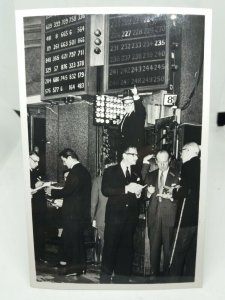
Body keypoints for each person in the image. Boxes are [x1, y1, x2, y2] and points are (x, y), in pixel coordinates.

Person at [100, 144, 145, 283]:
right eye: (134, 155)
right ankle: (105, 282)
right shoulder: (110, 171)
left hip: (129, 220)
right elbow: (105, 190)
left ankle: (122, 282)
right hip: (114, 219)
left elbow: (140, 195)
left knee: (126, 251)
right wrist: (126, 188)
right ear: (125, 155)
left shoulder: (136, 173)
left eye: (137, 155)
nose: (137, 158)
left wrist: (139, 193)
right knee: (110, 250)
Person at [46, 148, 91, 276]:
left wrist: (51, 191)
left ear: (70, 157)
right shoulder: (84, 171)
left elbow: (67, 191)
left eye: (64, 160)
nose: (64, 164)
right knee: (77, 241)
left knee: (74, 241)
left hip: (73, 214)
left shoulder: (75, 172)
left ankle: (76, 268)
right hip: (79, 213)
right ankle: (80, 268)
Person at [144, 150, 180, 277]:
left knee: (168, 248)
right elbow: (143, 196)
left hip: (169, 215)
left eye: (165, 162)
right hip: (153, 215)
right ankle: (154, 274)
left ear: (169, 160)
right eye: (160, 162)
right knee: (154, 247)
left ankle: (167, 276)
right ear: (156, 161)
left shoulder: (176, 174)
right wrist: (148, 193)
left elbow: (182, 196)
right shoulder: (150, 175)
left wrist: (172, 196)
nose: (163, 165)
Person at [169, 142, 201, 281]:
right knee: (192, 254)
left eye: (182, 151)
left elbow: (186, 191)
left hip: (186, 216)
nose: (180, 154)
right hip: (197, 217)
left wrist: (174, 192)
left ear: (188, 151)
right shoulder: (201, 165)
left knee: (177, 252)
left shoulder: (188, 166)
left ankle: (172, 283)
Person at [91, 158, 115, 263]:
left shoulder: (98, 180)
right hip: (118, 219)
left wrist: (92, 218)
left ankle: (107, 269)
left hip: (102, 218)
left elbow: (93, 203)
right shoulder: (121, 180)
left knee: (106, 245)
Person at [29, 152, 47, 264]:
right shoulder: (25, 172)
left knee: (39, 231)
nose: (37, 164)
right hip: (32, 207)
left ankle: (38, 255)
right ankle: (35, 255)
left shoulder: (34, 172)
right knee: (34, 231)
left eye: (38, 162)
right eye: (35, 161)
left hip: (38, 207)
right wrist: (37, 185)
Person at [120, 86, 146, 151]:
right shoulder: (125, 116)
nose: (127, 106)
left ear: (134, 104)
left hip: (134, 151)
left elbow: (141, 110)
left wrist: (135, 95)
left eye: (130, 103)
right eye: (125, 104)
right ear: (123, 105)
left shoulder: (137, 116)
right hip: (125, 149)